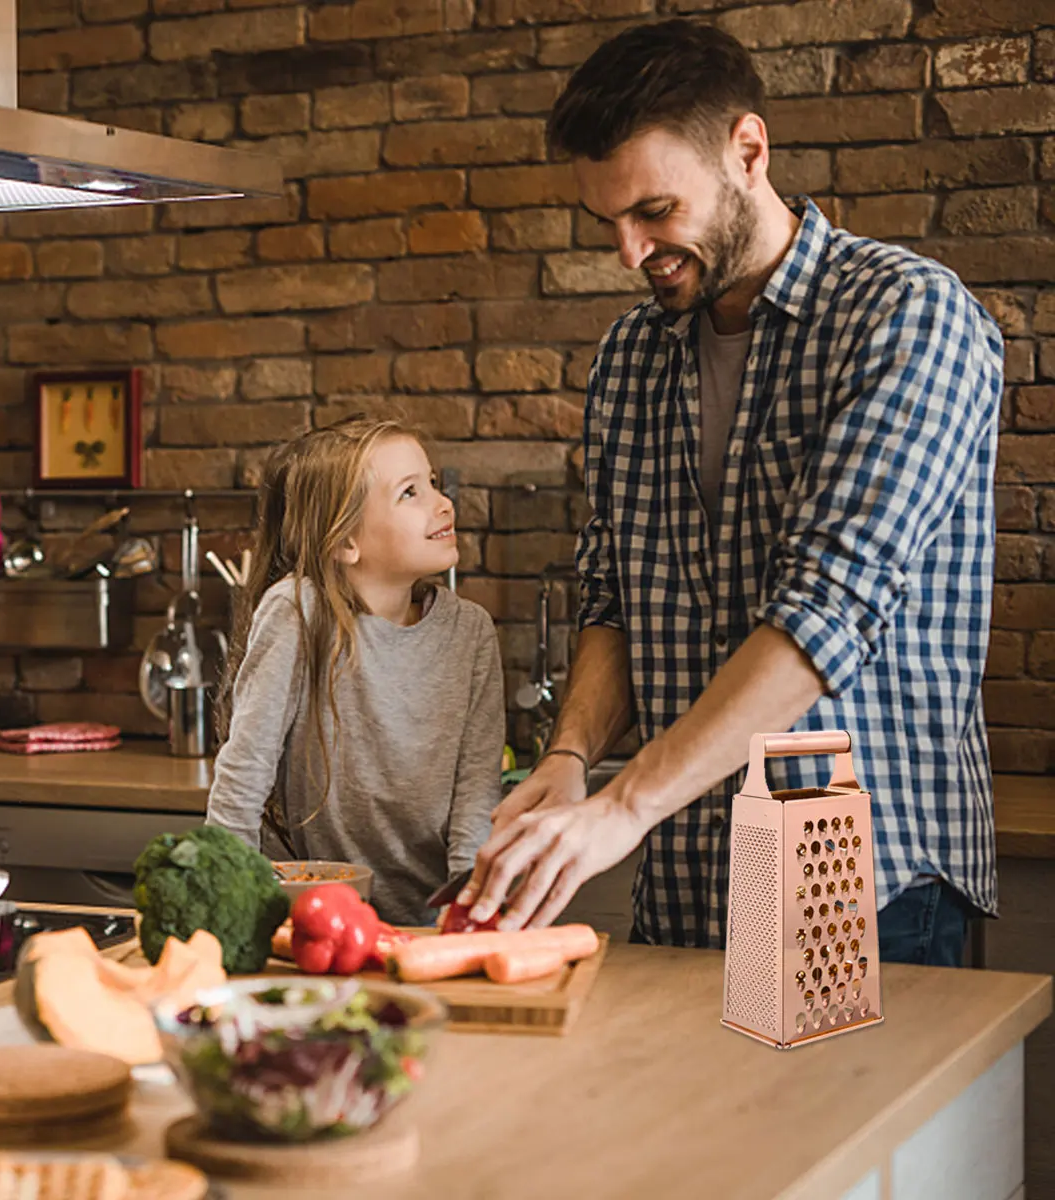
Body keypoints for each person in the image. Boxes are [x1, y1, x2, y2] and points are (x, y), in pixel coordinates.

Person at [461, 19, 1004, 967]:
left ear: (747, 150)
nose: (631, 253)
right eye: (610, 224)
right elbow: (613, 596)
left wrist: (622, 804)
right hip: (688, 874)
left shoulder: (907, 316)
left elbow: (827, 611)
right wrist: (569, 759)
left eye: (656, 212)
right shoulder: (631, 359)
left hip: (867, 886)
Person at [208, 416, 505, 927]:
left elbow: (476, 796)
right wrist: (224, 902)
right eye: (410, 492)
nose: (443, 502)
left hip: (429, 922)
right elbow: (244, 774)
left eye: (434, 482)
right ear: (346, 540)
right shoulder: (299, 611)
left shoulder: (471, 632)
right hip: (314, 923)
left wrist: (466, 913)